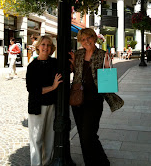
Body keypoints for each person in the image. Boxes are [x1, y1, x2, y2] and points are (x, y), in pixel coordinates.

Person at [69, 28, 111, 166]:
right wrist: (73, 64)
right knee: (82, 135)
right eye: (83, 39)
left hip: (94, 100)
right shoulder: (79, 53)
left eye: (89, 38)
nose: (86, 41)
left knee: (89, 135)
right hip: (78, 98)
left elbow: (109, 83)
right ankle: (89, 162)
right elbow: (76, 72)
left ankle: (103, 162)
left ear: (94, 38)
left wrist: (107, 66)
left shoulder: (102, 54)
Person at [26, 35, 62, 166]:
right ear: (38, 47)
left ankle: (46, 163)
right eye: (43, 44)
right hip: (37, 106)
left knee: (49, 138)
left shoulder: (55, 63)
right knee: (36, 138)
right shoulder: (32, 66)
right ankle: (36, 164)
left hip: (52, 105)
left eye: (48, 45)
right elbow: (32, 89)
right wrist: (52, 87)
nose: (46, 47)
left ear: (52, 48)